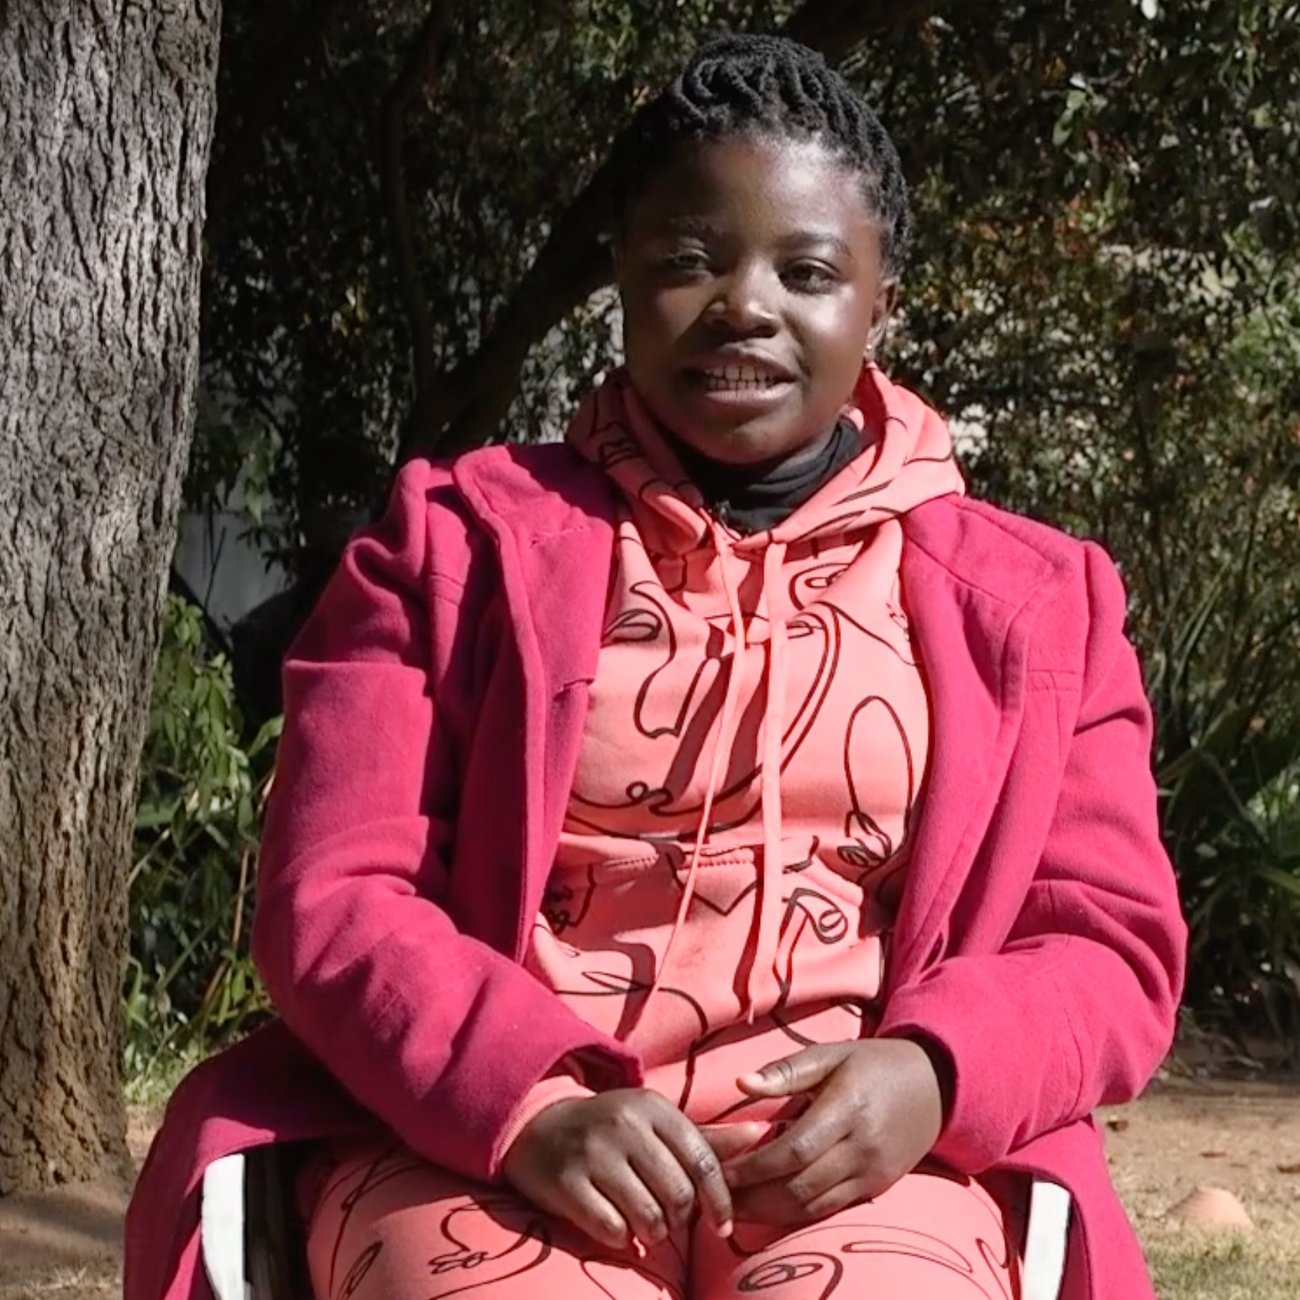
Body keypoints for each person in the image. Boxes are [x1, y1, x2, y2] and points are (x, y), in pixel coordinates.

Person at [125, 33, 1186, 1300]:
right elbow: (335, 892)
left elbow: (1109, 946)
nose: (745, 302)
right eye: (689, 260)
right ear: (618, 279)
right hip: (483, 1143)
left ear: (877, 303)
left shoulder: (1037, 602)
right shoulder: (452, 547)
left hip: (873, 1165)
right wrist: (522, 1100)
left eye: (805, 269)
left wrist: (935, 1075)